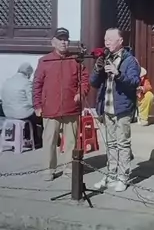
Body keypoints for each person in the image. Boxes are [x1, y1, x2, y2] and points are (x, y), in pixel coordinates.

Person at [33, 28, 90, 181]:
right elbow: (37, 84)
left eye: (66, 39)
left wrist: (81, 93)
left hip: (71, 108)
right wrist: (37, 105)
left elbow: (84, 80)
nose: (63, 42)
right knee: (49, 140)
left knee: (71, 141)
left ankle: (69, 168)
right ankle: (48, 169)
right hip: (50, 108)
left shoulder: (75, 60)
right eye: (60, 39)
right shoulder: (45, 61)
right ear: (53, 42)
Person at [90, 28, 140, 192]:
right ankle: (111, 174)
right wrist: (97, 69)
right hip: (107, 107)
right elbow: (93, 82)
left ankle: (123, 177)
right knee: (110, 144)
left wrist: (118, 74)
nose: (107, 42)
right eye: (105, 39)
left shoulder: (129, 60)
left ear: (120, 41)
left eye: (110, 39)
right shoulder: (105, 58)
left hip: (122, 108)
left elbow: (134, 82)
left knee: (123, 144)